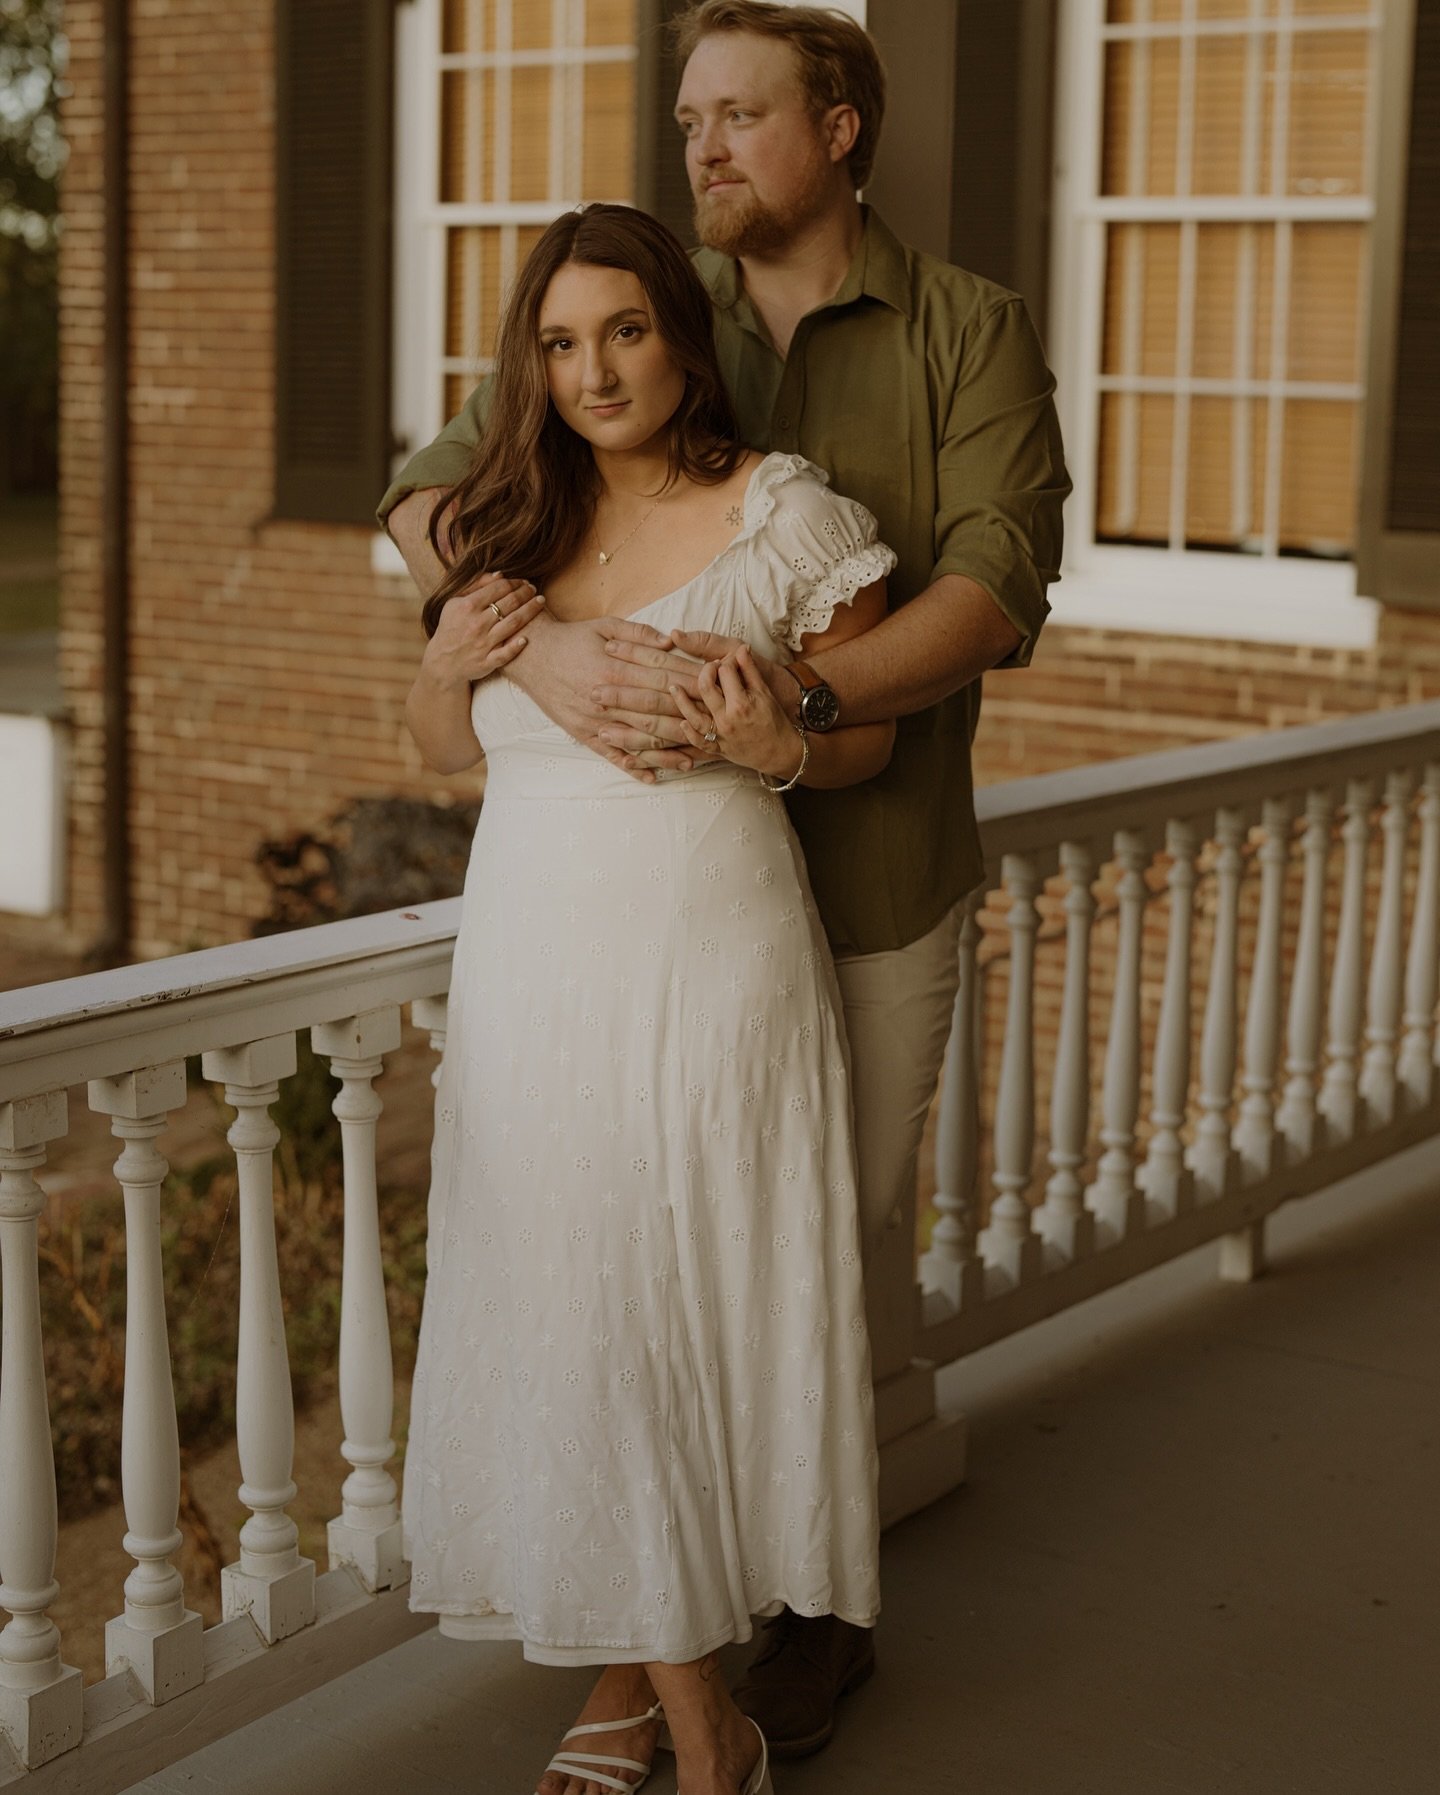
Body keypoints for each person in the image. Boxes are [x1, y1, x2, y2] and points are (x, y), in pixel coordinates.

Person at [382, 0, 1070, 1765]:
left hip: (861, 877)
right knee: (618, 1284)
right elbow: (436, 493)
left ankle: (796, 1627)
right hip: (598, 922)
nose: (701, 146)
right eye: (689, 118)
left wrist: (798, 708)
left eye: (739, 115)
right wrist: (526, 649)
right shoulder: (641, 299)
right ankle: (652, 1666)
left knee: (794, 1273)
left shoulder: (965, 328)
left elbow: (994, 585)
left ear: (839, 128)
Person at [403, 201, 901, 1795]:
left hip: (709, 962)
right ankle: (685, 1717)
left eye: (624, 331)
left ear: (684, 337)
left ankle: (695, 1738)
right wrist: (447, 666)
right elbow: (443, 749)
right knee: (582, 1326)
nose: (596, 372)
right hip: (531, 970)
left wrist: (782, 744)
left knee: (662, 1325)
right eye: (560, 344)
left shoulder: (785, 514)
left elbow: (868, 736)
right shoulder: (504, 525)